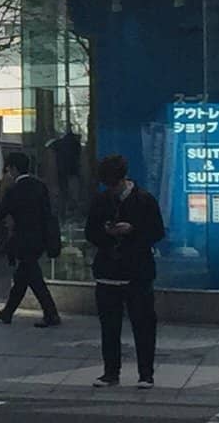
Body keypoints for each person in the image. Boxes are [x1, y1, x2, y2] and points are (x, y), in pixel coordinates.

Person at [85, 154, 165, 389]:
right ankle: (111, 372)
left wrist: (133, 230)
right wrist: (106, 233)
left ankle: (146, 373)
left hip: (137, 270)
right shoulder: (101, 200)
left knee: (143, 324)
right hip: (108, 271)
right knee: (109, 326)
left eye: (114, 184)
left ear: (122, 179)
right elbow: (91, 232)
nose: (111, 189)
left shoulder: (144, 200)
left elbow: (157, 232)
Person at [0, 151, 62, 328]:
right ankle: (8, 312)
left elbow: (0, 213)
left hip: (24, 240)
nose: (8, 172)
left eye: (9, 169)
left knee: (33, 278)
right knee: (23, 277)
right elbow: (47, 212)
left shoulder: (15, 191)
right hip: (40, 239)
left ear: (14, 169)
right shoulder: (40, 186)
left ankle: (51, 314)